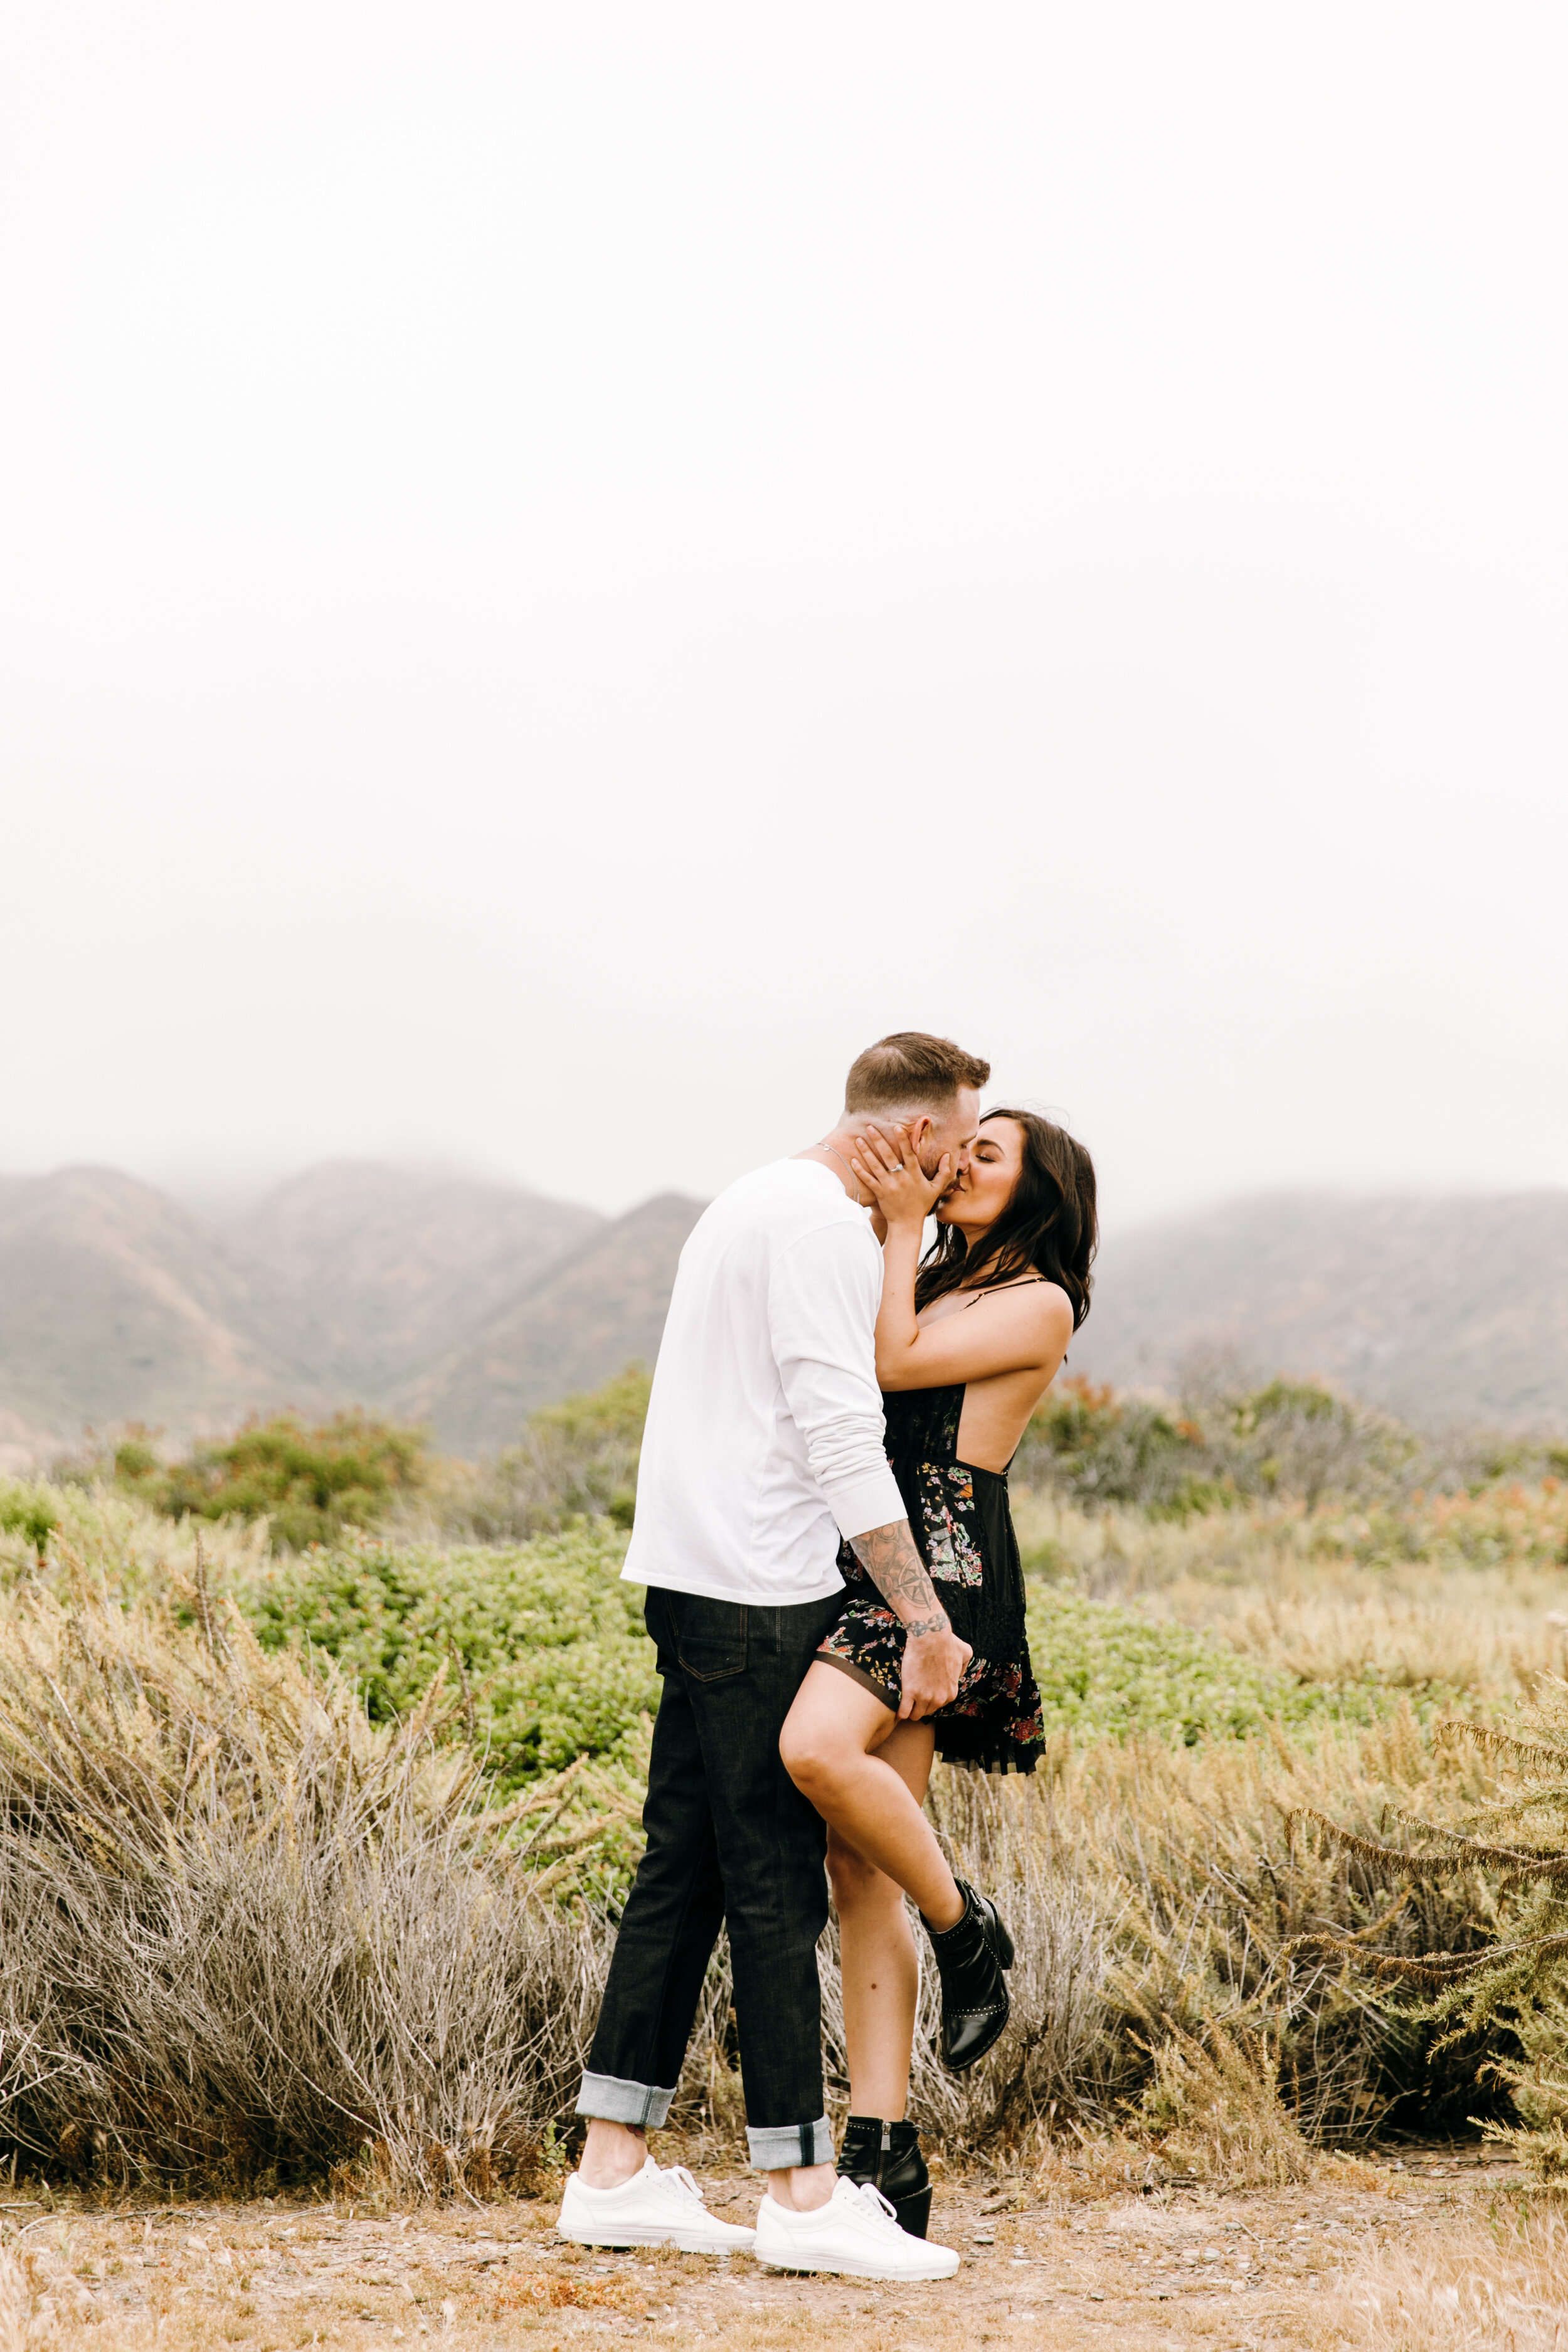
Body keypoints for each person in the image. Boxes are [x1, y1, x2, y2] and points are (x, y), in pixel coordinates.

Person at [555, 1032, 1012, 2283]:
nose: (961, 1159)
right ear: (913, 1137)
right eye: (958, 1139)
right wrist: (924, 1618)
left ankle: (611, 2167)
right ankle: (803, 2192)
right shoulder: (817, 1229)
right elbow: (835, 1433)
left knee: (681, 1874)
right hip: (759, 1589)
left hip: (691, 1576)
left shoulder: (752, 1198)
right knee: (770, 1887)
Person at [779, 1108, 1097, 2237]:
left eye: (987, 1155)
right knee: (859, 1866)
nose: (960, 1164)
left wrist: (904, 1219)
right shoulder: (938, 1272)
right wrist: (894, 1224)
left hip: (941, 1577)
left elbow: (888, 1359)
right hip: (871, 1550)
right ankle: (885, 2153)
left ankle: (969, 1929)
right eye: (961, 1146)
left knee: (814, 1749)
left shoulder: (1039, 1299)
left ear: (1039, 1191)